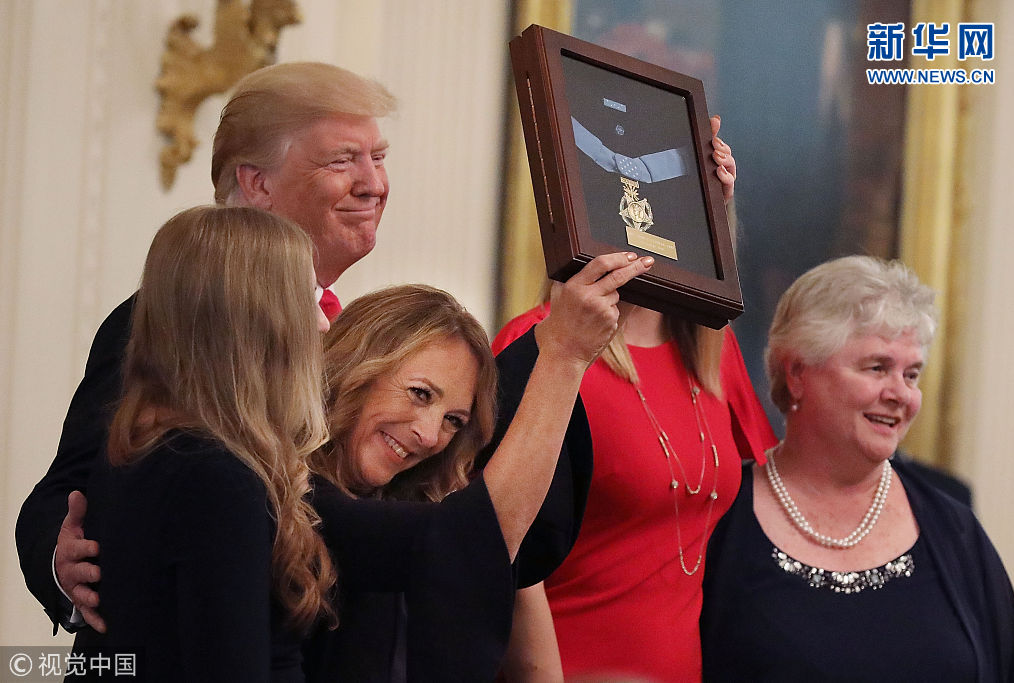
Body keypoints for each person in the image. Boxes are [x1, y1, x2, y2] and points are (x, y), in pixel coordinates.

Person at [16, 61, 395, 634]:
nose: (374, 184)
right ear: (257, 184)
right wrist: (62, 565)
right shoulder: (177, 321)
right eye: (342, 161)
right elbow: (65, 491)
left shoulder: (345, 323)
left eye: (378, 157)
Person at [493, 117, 779, 682]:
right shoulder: (542, 342)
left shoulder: (712, 352)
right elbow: (505, 551)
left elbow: (761, 493)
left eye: (688, 193)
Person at [297, 264, 647, 682]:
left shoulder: (404, 500)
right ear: (356, 365)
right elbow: (475, 536)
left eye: (454, 421)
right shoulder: (295, 495)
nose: (430, 436)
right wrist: (564, 355)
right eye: (420, 394)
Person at [700, 255, 1014, 682]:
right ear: (797, 373)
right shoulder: (717, 520)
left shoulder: (956, 532)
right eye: (877, 368)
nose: (901, 395)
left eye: (912, 375)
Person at [69, 205, 336, 681]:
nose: (322, 324)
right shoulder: (217, 478)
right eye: (303, 299)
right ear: (253, 324)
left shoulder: (144, 450)